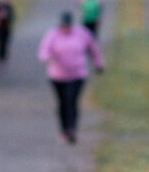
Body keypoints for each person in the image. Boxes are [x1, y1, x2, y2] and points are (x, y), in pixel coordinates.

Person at [37, 8, 103, 144]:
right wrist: (47, 57)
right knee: (62, 102)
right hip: (57, 76)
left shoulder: (82, 34)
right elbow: (43, 51)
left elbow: (93, 48)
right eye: (63, 25)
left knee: (72, 100)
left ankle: (71, 129)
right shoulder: (52, 35)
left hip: (77, 75)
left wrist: (99, 63)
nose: (66, 28)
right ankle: (64, 130)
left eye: (68, 25)